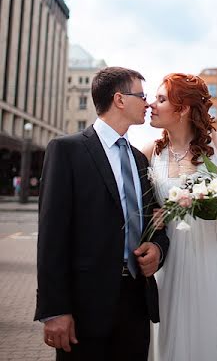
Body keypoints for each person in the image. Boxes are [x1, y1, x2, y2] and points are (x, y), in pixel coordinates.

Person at [34, 67, 169, 361]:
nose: (147, 103)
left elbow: (156, 222)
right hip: (84, 307)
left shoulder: (139, 159)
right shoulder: (66, 150)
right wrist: (54, 310)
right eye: (141, 96)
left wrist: (158, 247)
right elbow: (51, 236)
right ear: (119, 99)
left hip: (136, 302)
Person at [142, 73, 217, 361]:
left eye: (160, 99)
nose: (150, 104)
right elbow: (139, 209)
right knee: (174, 331)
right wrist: (151, 221)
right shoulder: (148, 153)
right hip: (171, 261)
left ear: (182, 109)